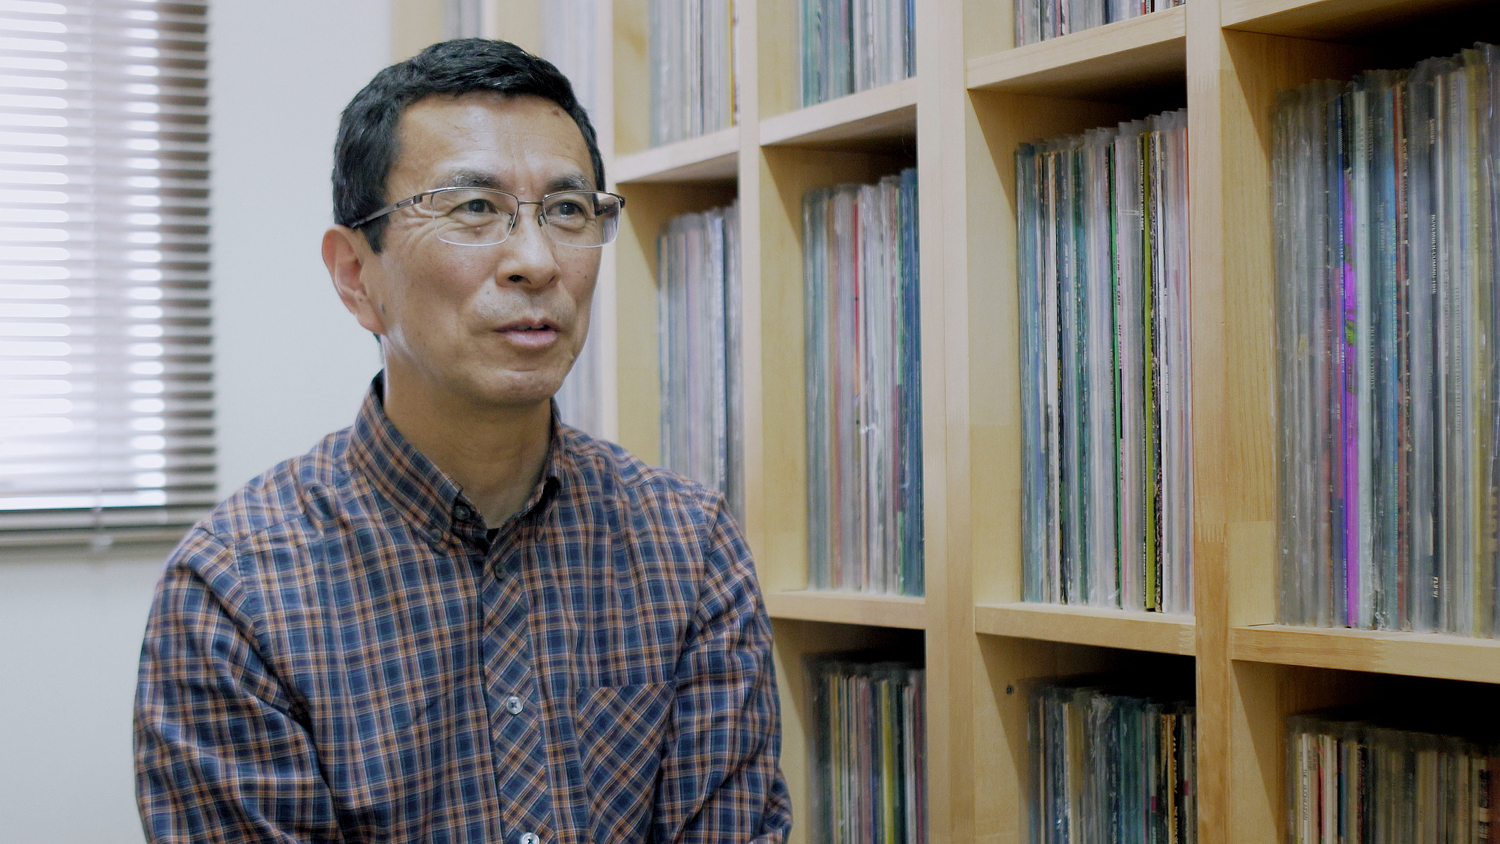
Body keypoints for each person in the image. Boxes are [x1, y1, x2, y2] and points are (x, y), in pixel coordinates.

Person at [134, 39, 791, 844]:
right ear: (356, 275)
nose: (536, 262)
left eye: (567, 210)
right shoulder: (236, 593)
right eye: (474, 208)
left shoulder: (689, 548)